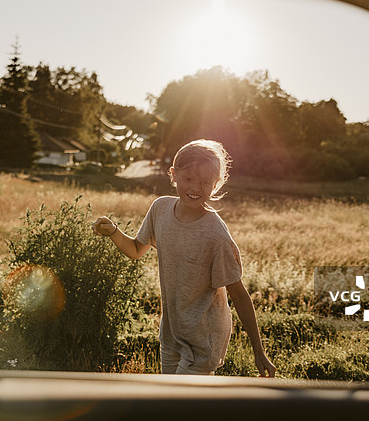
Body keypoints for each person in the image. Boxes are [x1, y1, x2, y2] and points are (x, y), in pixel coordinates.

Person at [93, 139, 276, 377]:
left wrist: (259, 352)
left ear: (216, 184)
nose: (196, 188)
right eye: (188, 178)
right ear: (173, 175)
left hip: (204, 339)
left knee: (182, 409)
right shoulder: (160, 210)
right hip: (171, 334)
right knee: (175, 408)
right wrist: (114, 232)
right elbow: (136, 249)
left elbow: (239, 294)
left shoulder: (216, 235)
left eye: (206, 182)